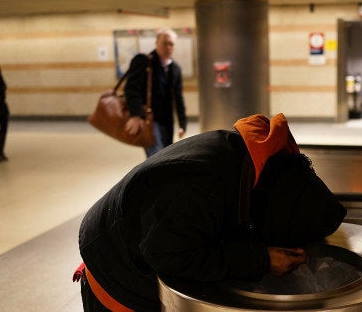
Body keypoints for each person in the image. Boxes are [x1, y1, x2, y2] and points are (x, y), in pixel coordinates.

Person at [74, 113, 347, 311]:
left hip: (147, 232)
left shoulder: (257, 171)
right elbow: (168, 255)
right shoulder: (200, 189)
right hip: (118, 270)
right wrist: (261, 260)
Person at [124, 28, 187, 158]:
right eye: (165, 43)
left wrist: (182, 123)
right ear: (156, 43)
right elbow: (131, 88)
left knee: (167, 153)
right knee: (156, 156)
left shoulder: (175, 68)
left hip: (167, 120)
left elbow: (178, 97)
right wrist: (135, 115)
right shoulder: (143, 61)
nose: (168, 47)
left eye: (171, 44)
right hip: (149, 119)